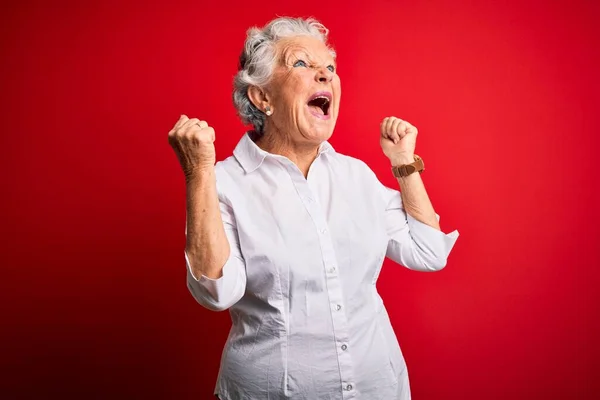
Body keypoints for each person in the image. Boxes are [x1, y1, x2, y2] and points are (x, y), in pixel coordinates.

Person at [168, 16, 459, 400]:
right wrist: (198, 171)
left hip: (379, 388)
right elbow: (217, 292)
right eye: (302, 64)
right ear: (262, 97)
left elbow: (430, 252)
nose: (325, 75)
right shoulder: (222, 182)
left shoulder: (356, 176)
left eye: (331, 68)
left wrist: (404, 163)